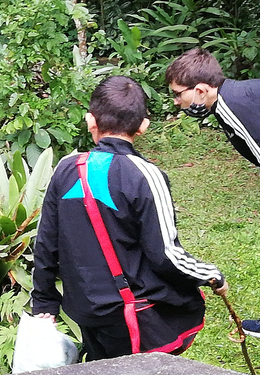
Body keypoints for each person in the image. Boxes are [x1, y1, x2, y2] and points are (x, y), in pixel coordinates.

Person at [32, 75, 228, 361]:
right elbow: (165, 255)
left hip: (84, 310)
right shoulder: (146, 174)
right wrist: (210, 274)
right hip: (129, 313)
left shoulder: (65, 168)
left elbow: (46, 244)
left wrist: (44, 304)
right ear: (143, 126)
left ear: (90, 121)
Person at [165, 47, 260, 335]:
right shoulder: (227, 98)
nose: (177, 102)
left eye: (179, 93)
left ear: (202, 89)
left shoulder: (234, 107)